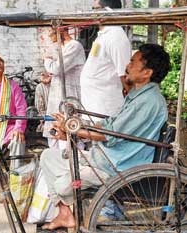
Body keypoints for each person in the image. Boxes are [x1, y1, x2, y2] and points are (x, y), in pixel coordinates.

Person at [40, 44, 170, 230]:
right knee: (47, 157)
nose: (128, 65)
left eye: (133, 62)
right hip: (103, 158)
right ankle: (65, 214)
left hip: (116, 167)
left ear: (147, 72)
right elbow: (109, 126)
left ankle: (98, 208)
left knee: (62, 186)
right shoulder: (137, 95)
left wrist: (75, 130)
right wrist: (76, 127)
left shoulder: (148, 101)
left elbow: (112, 135)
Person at [80, 0, 131, 121]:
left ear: (108, 11)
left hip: (105, 107)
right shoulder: (104, 34)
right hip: (94, 105)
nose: (93, 13)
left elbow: (124, 74)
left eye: (96, 9)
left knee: (104, 138)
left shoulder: (116, 36)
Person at [43, 27, 86, 149]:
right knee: (56, 133)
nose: (50, 37)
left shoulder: (74, 46)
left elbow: (56, 68)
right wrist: (51, 78)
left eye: (51, 33)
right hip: (59, 96)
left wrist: (47, 59)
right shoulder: (63, 47)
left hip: (69, 97)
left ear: (60, 31)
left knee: (70, 132)